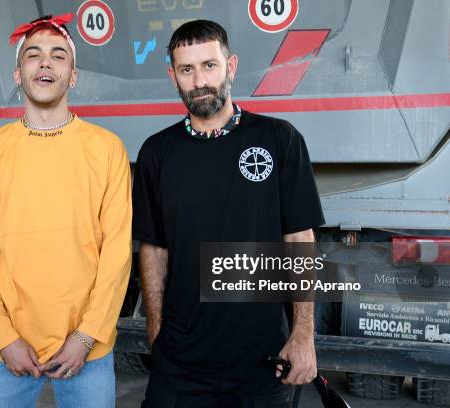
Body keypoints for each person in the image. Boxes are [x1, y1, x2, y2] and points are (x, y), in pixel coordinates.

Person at [133, 20, 325, 407]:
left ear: (231, 66)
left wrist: (303, 335)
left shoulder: (278, 139)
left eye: (209, 65)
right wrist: (156, 333)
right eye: (187, 70)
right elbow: (153, 250)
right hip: (181, 364)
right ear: (173, 76)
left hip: (262, 363)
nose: (199, 80)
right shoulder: (156, 152)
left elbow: (298, 240)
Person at [0, 13, 132, 408]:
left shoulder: (106, 150)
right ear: (18, 74)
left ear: (72, 76)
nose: (45, 62)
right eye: (33, 55)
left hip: (86, 349)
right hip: (8, 350)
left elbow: (117, 254)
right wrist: (4, 338)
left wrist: (86, 335)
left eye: (58, 55)